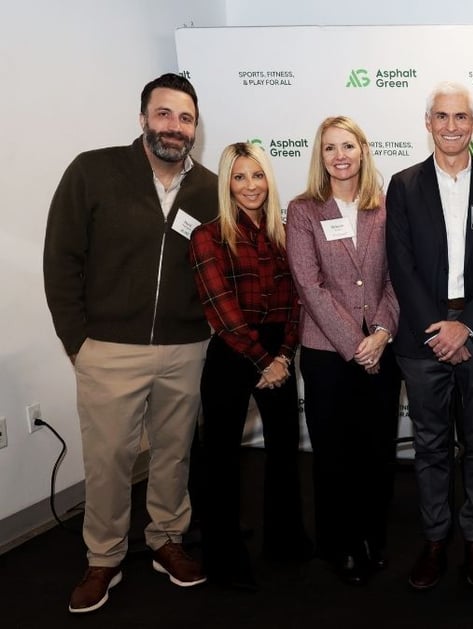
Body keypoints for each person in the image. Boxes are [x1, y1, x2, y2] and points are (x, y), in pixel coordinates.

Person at [44, 73, 217, 613]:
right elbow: (61, 257)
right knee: (109, 458)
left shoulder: (210, 187)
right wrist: (78, 342)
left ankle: (166, 538)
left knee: (173, 454)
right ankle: (104, 557)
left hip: (185, 348)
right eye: (164, 114)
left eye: (185, 118)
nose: (175, 126)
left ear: (195, 128)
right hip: (108, 348)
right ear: (143, 118)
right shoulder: (93, 171)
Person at [385, 82, 473, 591]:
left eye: (461, 117)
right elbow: (401, 263)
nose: (451, 126)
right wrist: (438, 328)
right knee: (432, 443)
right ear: (427, 123)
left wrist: (466, 325)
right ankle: (437, 538)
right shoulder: (403, 184)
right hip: (423, 336)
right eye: (441, 117)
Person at [188, 142, 311, 589]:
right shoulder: (208, 235)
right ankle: (222, 556)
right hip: (232, 350)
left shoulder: (284, 232)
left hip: (279, 349)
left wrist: (285, 355)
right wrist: (265, 360)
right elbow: (221, 310)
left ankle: (285, 541)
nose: (250, 185)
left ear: (268, 180)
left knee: (282, 451)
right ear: (227, 183)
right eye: (239, 177)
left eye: (257, 175)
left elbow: (300, 300)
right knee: (220, 457)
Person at [286, 116, 402, 586]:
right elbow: (309, 286)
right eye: (330, 147)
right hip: (327, 353)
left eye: (348, 146)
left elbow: (396, 281)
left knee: (376, 450)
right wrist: (357, 346)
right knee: (334, 452)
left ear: (362, 151)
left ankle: (373, 536)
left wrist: (382, 334)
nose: (340, 155)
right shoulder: (303, 211)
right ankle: (339, 543)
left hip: (380, 348)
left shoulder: (384, 209)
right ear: (321, 156)